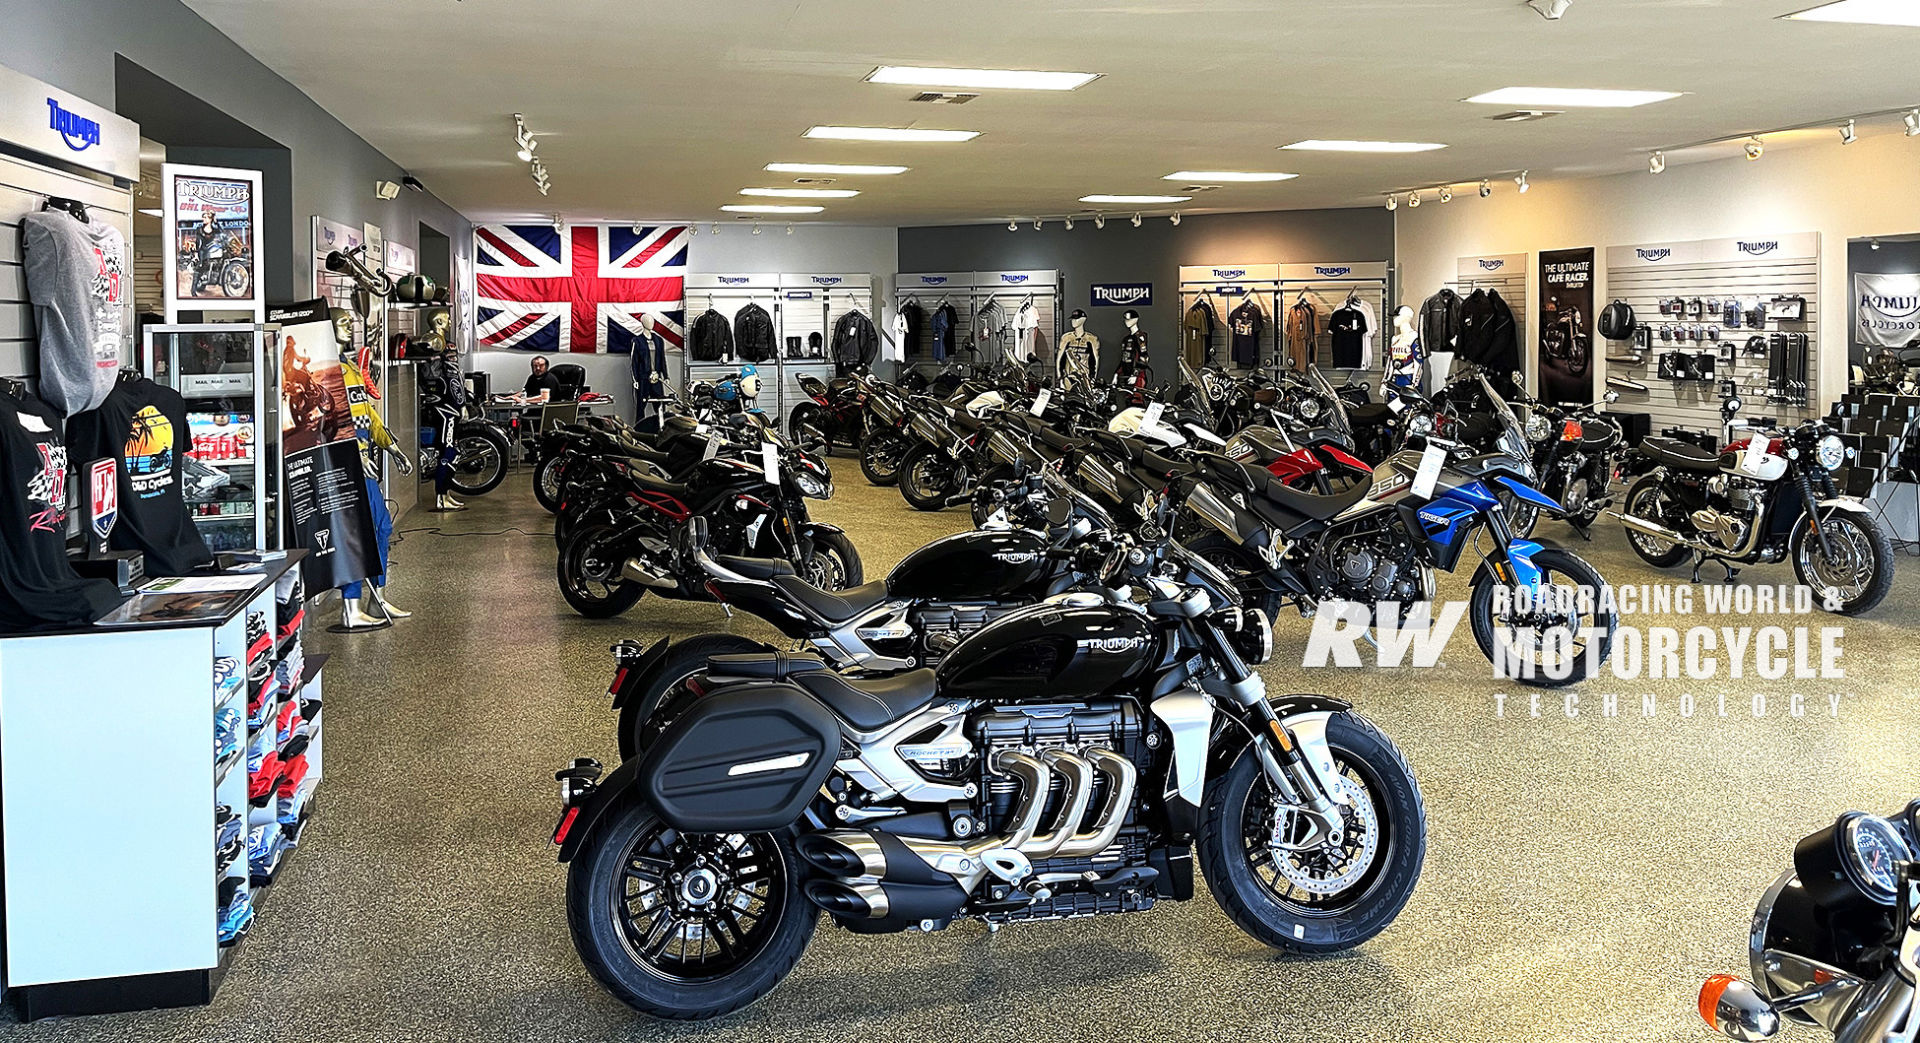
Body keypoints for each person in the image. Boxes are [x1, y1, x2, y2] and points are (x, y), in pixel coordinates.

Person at [419, 339, 467, 511]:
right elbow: (456, 391)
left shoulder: (434, 368)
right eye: (450, 354)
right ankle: (441, 496)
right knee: (447, 454)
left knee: (451, 453)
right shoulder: (445, 370)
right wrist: (462, 406)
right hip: (447, 415)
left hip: (446, 413)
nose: (453, 358)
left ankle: (446, 494)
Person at [190, 211, 221, 294]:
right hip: (202, 250)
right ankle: (193, 290)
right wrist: (196, 254)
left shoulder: (214, 230)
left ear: (210, 219)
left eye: (206, 217)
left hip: (211, 249)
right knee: (200, 267)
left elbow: (221, 232)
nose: (203, 219)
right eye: (203, 217)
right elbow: (198, 242)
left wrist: (216, 222)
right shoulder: (199, 230)